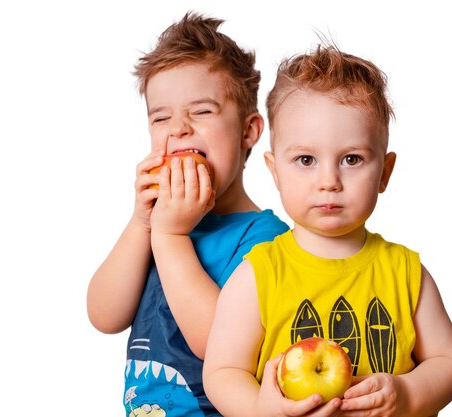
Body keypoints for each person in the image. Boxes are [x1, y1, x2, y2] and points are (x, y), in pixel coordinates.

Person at [203, 43, 452, 417]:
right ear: (275, 170)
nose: (329, 181)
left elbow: (451, 362)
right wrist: (262, 409)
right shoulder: (258, 274)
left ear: (385, 173)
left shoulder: (406, 273)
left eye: (351, 159)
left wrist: (407, 393)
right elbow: (222, 372)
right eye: (306, 160)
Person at [86, 12, 289, 417]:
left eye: (201, 112)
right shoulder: (153, 225)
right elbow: (104, 316)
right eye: (161, 117)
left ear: (249, 131)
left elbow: (221, 343)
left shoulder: (267, 240)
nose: (177, 128)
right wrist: (141, 224)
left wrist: (169, 237)